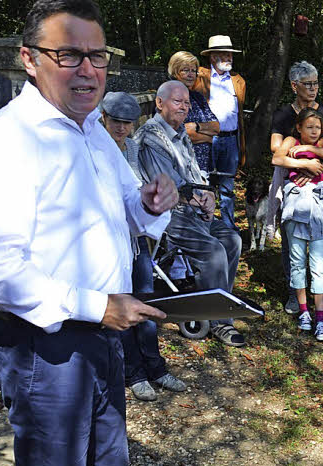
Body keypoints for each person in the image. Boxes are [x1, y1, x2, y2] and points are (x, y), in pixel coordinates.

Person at [0, 2, 179, 466]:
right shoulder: (3, 140)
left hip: (106, 330)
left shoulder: (95, 135)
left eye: (98, 55)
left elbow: (129, 214)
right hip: (45, 347)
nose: (88, 70)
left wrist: (151, 205)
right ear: (29, 60)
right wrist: (94, 305)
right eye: (69, 54)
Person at [135, 80, 245, 347]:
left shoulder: (180, 134)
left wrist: (208, 196)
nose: (184, 107)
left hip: (193, 208)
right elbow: (168, 185)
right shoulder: (152, 137)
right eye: (177, 101)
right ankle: (219, 321)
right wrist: (199, 200)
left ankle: (217, 305)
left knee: (232, 240)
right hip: (169, 214)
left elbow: (195, 174)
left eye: (186, 102)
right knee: (213, 251)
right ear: (160, 103)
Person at [100, 91, 187, 402]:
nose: (122, 128)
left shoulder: (133, 146)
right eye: (116, 122)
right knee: (123, 306)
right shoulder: (97, 146)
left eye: (127, 122)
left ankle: (156, 367)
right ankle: (134, 374)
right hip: (113, 240)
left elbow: (138, 186)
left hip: (138, 237)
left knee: (146, 303)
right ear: (104, 119)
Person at [270, 60, 323, 314]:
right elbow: (275, 150)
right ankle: (294, 293)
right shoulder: (283, 115)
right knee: (291, 241)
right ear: (294, 85)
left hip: (321, 186)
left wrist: (314, 164)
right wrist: (301, 166)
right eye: (308, 84)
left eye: (316, 83)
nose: (313, 89)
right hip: (292, 185)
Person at [192, 34, 246, 232]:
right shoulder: (200, 78)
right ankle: (202, 226)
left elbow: (239, 115)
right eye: (224, 54)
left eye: (230, 54)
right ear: (212, 57)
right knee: (203, 181)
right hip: (206, 140)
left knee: (227, 188)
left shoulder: (238, 81)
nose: (229, 58)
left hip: (231, 140)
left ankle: (228, 229)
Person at [168, 50, 218, 173]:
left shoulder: (197, 97)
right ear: (175, 72)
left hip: (203, 167)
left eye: (193, 71)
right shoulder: (168, 96)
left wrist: (196, 126)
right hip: (182, 168)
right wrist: (208, 138)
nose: (191, 74)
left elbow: (216, 127)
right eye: (185, 70)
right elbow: (178, 134)